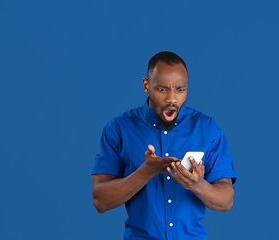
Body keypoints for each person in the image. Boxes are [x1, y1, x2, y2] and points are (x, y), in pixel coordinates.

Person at [91, 51, 237, 240]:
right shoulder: (118, 129)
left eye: (180, 89)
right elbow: (100, 200)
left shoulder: (207, 129)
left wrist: (198, 185)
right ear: (146, 86)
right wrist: (145, 172)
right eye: (162, 89)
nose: (172, 99)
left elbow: (226, 201)